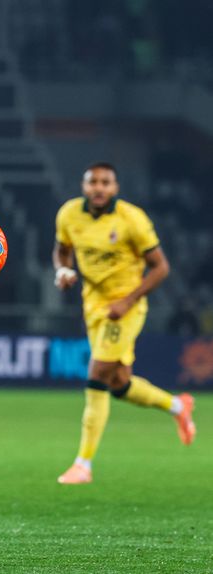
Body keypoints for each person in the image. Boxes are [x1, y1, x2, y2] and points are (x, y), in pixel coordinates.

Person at [53, 162, 196, 485]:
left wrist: (127, 301)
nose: (99, 188)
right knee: (118, 383)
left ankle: (83, 465)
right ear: (84, 186)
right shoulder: (69, 214)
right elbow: (61, 251)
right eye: (93, 182)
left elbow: (160, 268)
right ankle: (177, 405)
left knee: (98, 373)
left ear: (115, 187)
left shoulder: (133, 219)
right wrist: (62, 271)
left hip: (126, 307)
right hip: (93, 305)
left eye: (106, 182)